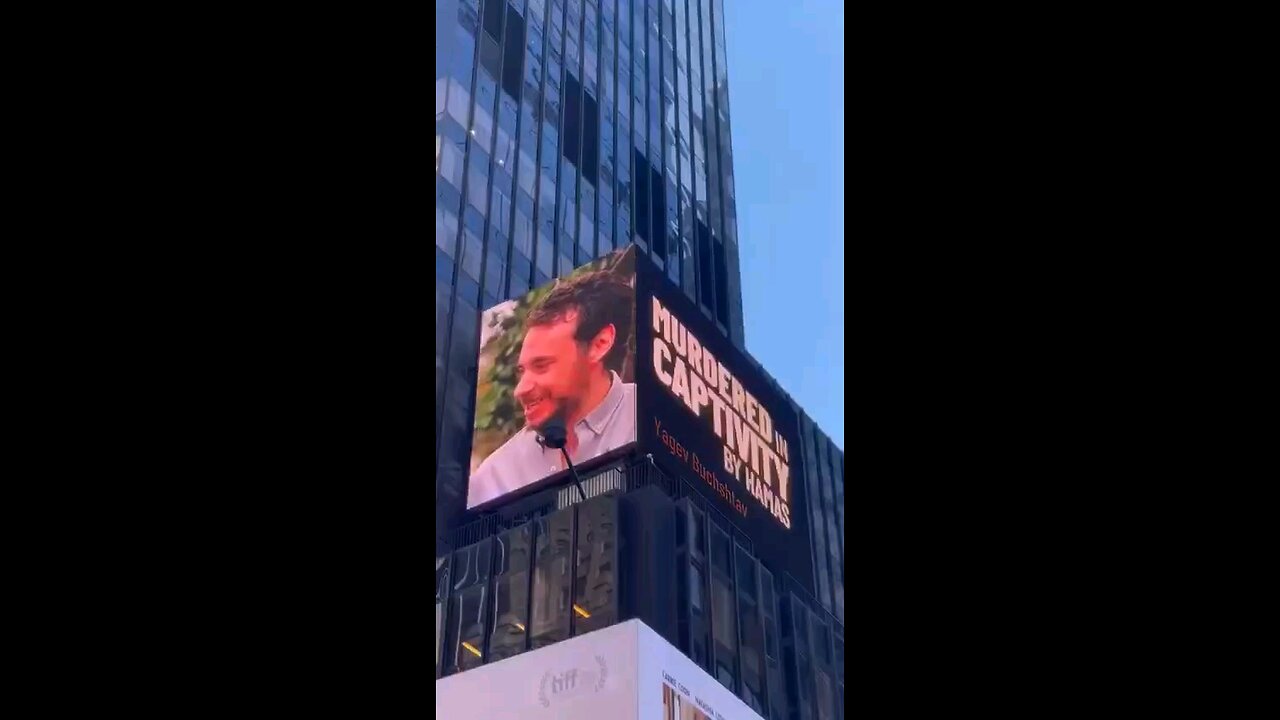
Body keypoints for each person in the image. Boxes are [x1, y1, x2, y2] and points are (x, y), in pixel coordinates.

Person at [468, 270, 637, 507]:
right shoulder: (494, 475)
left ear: (600, 344)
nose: (520, 390)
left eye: (542, 365)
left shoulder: (648, 416)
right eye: (521, 371)